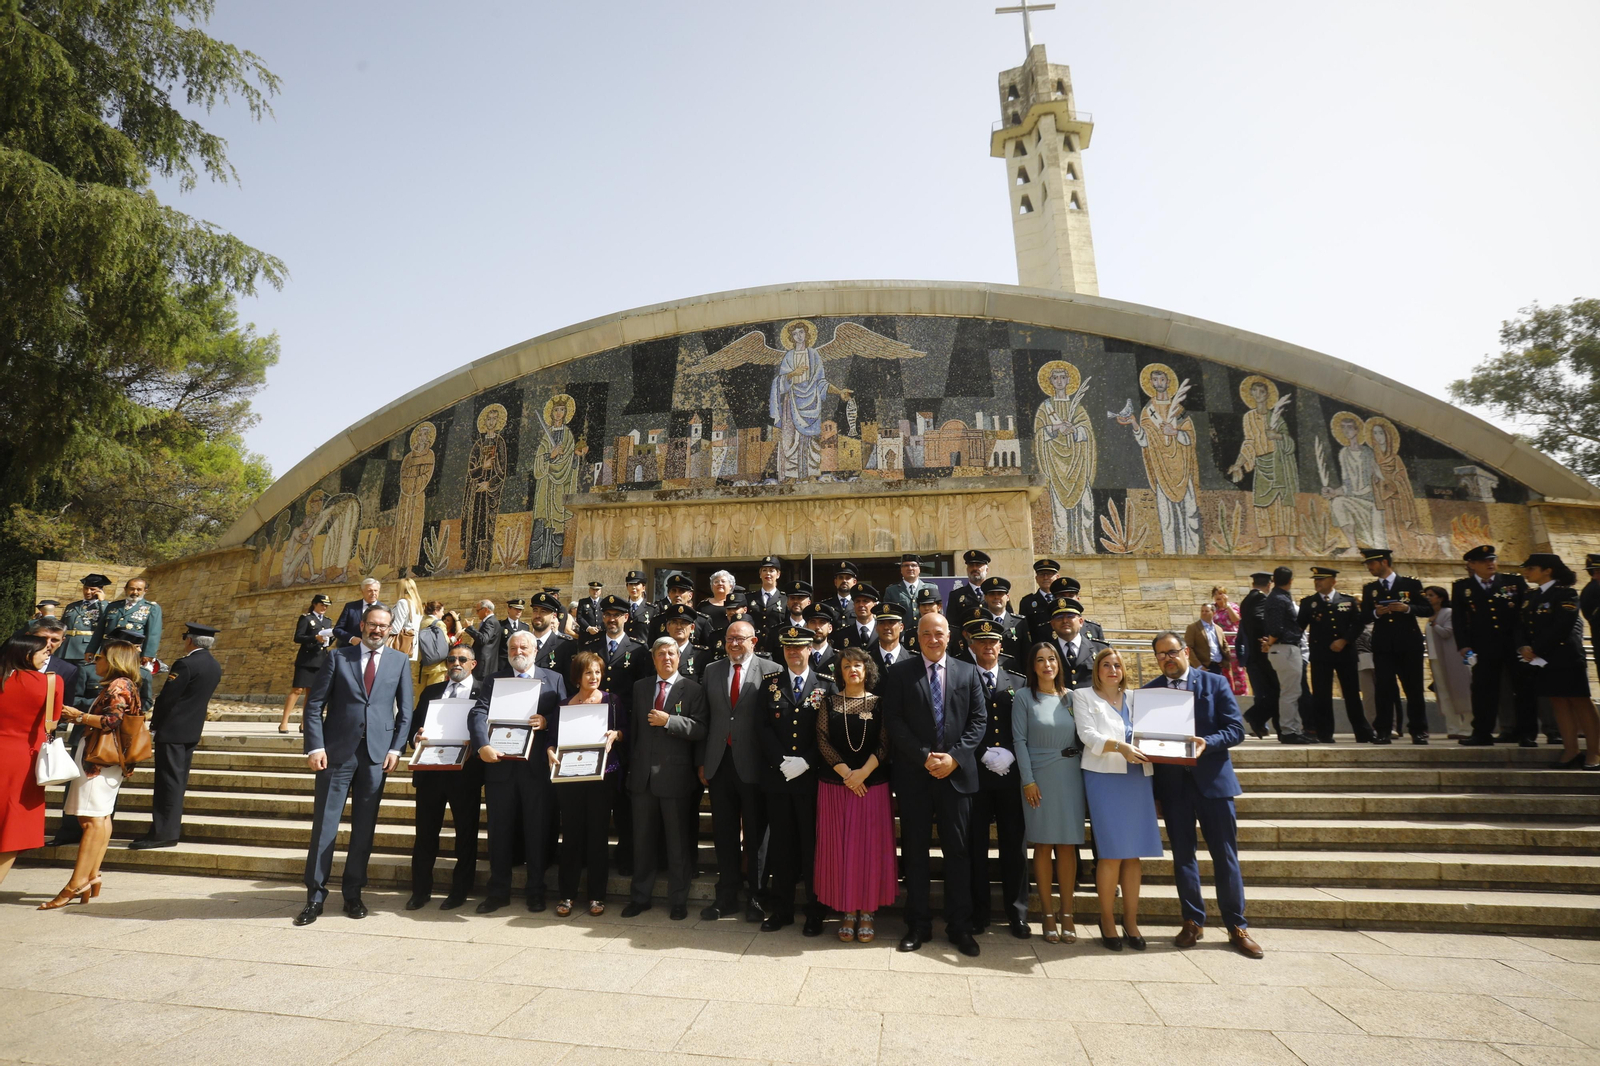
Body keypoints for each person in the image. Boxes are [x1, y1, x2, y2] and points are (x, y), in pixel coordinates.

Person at [1144, 631, 1261, 958]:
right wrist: (1155, 794)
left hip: (1214, 784)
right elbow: (1150, 746)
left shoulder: (1215, 683)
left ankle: (1236, 925)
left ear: (1185, 651)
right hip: (1174, 789)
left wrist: (1207, 742)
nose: (1167, 658)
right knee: (1183, 857)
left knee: (1225, 856)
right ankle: (1192, 921)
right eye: (1161, 654)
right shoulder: (1150, 692)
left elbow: (1235, 729)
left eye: (1172, 652)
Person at [295, 605, 414, 926]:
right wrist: (315, 746)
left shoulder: (399, 661)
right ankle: (315, 896)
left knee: (364, 828)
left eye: (383, 626)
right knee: (324, 826)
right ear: (362, 625)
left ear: (390, 629)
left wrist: (396, 748)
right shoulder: (338, 657)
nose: (377, 630)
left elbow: (406, 711)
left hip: (376, 756)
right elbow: (315, 705)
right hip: (336, 754)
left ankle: (353, 893)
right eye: (373, 624)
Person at [882, 612, 986, 957]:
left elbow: (978, 721)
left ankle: (960, 926)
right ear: (917, 637)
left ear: (949, 636)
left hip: (956, 778)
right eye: (926, 633)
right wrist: (924, 756)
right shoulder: (901, 673)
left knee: (958, 853)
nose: (932, 639)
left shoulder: (968, 672)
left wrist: (954, 758)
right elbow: (894, 721)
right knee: (915, 853)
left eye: (938, 633)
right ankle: (918, 924)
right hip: (915, 776)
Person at [469, 630, 565, 913]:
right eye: (513, 648)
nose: (518, 652)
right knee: (499, 832)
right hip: (500, 766)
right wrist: (482, 745)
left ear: (535, 651)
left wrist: (547, 721)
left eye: (524, 647)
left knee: (537, 831)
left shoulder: (554, 679)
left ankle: (536, 890)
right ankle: (498, 892)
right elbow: (478, 713)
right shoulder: (494, 679)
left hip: (536, 769)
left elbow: (564, 715)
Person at [1075, 647, 1161, 950]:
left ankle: (1131, 921)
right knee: (1111, 852)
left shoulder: (1138, 699)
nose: (1112, 670)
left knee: (1133, 854)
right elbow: (1087, 735)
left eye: (1117, 665)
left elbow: (1156, 733)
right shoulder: (1083, 696)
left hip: (1137, 779)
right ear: (1097, 670)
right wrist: (1119, 746)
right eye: (1106, 665)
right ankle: (1108, 919)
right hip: (1104, 778)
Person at [46, 639, 143, 909]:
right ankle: (91, 876)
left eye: (100, 657)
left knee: (90, 821)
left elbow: (112, 721)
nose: (95, 661)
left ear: (112, 660)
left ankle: (76, 884)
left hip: (98, 760)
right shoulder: (125, 684)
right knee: (100, 818)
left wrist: (78, 716)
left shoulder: (118, 685)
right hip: (106, 760)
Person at [697, 619, 781, 922]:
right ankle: (726, 895)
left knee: (756, 834)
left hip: (755, 765)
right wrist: (702, 760)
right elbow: (705, 718)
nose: (733, 644)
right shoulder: (712, 670)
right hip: (719, 763)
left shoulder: (772, 670)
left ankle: (756, 896)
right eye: (729, 638)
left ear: (753, 641)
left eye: (740, 639)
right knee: (724, 832)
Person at [815, 646, 896, 943]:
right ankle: (848, 911)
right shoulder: (829, 702)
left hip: (871, 786)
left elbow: (885, 744)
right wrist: (847, 774)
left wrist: (862, 774)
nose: (852, 669)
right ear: (840, 671)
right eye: (847, 665)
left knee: (869, 850)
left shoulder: (879, 703)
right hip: (836, 786)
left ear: (867, 670)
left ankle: (868, 911)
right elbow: (822, 740)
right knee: (841, 850)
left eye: (858, 665)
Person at [757, 624, 834, 935]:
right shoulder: (770, 684)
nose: (793, 652)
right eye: (788, 648)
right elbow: (762, 727)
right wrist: (781, 760)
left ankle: (815, 911)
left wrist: (806, 761)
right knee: (781, 846)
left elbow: (829, 732)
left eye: (799, 647)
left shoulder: (826, 685)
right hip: (779, 778)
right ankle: (782, 909)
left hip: (811, 779)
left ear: (810, 649)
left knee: (812, 846)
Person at [623, 637, 707, 920]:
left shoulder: (693, 689)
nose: (666, 658)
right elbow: (635, 732)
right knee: (642, 841)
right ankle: (640, 897)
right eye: (661, 653)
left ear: (679, 657)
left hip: (675, 777)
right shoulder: (641, 687)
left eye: (671, 653)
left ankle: (678, 900)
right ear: (653, 658)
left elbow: (700, 729)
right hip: (643, 778)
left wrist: (669, 721)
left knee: (677, 844)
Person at [1012, 641, 1086, 944]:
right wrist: (1027, 780)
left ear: (1059, 663)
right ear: (1033, 666)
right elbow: (1019, 741)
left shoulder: (1072, 698)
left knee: (1067, 846)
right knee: (1042, 845)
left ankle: (1067, 913)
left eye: (1052, 659)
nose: (1047, 665)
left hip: (1070, 775)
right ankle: (1047, 914)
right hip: (1038, 778)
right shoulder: (1023, 697)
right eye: (1040, 660)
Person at [964, 620, 1030, 939]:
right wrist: (981, 754)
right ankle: (979, 912)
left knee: (1013, 845)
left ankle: (1017, 912)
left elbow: (1026, 726)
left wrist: (1011, 754)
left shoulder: (1018, 680)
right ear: (972, 646)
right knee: (975, 846)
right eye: (982, 641)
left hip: (1010, 775)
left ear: (1001, 646)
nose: (988, 646)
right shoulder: (961, 678)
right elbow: (957, 723)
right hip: (975, 775)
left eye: (993, 642)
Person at [406, 646, 486, 910]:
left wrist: (477, 743)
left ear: (473, 664)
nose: (456, 663)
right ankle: (420, 891)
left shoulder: (483, 691)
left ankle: (460, 890)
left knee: (466, 835)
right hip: (430, 772)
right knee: (425, 834)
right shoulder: (431, 692)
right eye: (451, 659)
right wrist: (416, 737)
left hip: (465, 774)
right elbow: (413, 727)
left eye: (462, 659)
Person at [130, 623, 222, 849]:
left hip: (172, 730)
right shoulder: (214, 665)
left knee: (167, 783)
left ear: (190, 640)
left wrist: (155, 724)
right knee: (176, 782)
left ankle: (163, 833)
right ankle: (164, 830)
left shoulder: (186, 664)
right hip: (191, 730)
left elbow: (168, 698)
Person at [550, 650, 625, 916]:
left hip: (602, 777)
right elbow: (553, 740)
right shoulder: (564, 705)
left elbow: (625, 731)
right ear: (577, 677)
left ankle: (596, 896)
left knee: (597, 836)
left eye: (597, 672)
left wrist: (616, 734)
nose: (594, 677)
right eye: (588, 672)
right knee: (571, 835)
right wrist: (550, 751)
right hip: (570, 778)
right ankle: (567, 895)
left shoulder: (612, 701)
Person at [1518, 554, 1599, 770]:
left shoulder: (1566, 593)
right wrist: (1523, 646)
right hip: (1542, 659)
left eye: (1531, 568)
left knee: (1580, 701)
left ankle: (1594, 752)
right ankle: (1571, 750)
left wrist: (1536, 648)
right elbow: (1521, 625)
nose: (1526, 572)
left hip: (1565, 657)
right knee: (1558, 701)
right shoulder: (1531, 596)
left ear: (1548, 570)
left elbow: (1562, 626)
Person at [1454, 545, 1537, 747]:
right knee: (1483, 690)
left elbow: (1524, 613)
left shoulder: (1512, 581)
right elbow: (1459, 619)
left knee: (1523, 689)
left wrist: (1526, 642)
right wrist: (1463, 645)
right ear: (1472, 565)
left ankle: (1526, 733)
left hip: (1514, 644)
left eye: (1492, 559)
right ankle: (1482, 733)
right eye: (1484, 561)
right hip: (1482, 646)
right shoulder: (1462, 587)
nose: (1490, 564)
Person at [0, 634, 64, 888]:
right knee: (13, 826)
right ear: (28, 656)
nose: (48, 655)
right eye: (44, 651)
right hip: (24, 759)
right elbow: (53, 720)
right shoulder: (51, 682)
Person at [1360, 547, 1433, 744]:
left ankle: (1418, 730)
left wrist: (1407, 608)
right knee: (1383, 689)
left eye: (1372, 563)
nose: (1369, 567)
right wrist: (1376, 613)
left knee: (1414, 688)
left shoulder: (1410, 584)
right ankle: (1383, 730)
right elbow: (1363, 616)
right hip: (1383, 646)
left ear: (1384, 562)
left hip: (1408, 644)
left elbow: (1427, 609)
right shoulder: (1370, 589)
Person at [1298, 567, 1373, 743]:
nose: (1317, 582)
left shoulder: (1347, 601)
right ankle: (1324, 733)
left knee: (1352, 694)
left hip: (1345, 654)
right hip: (1321, 655)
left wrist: (1345, 640)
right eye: (1315, 579)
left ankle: (1362, 732)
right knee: (1321, 696)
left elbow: (1358, 624)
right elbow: (1299, 626)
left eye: (1321, 579)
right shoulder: (1309, 603)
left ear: (1333, 581)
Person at [1261, 567, 1314, 743]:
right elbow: (1276, 628)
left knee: (1293, 691)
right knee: (1290, 692)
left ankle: (1294, 729)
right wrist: (1270, 643)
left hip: (1286, 648)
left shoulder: (1279, 597)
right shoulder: (1278, 599)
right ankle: (1289, 730)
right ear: (1290, 580)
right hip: (1285, 648)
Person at [1423, 586, 1473, 740]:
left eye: (1431, 595)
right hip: (1435, 658)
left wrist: (1434, 624)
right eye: (1426, 595)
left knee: (1460, 690)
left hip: (1451, 658)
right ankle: (1453, 727)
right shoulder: (1430, 614)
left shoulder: (1448, 613)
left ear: (1441, 598)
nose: (1427, 598)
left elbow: (1447, 632)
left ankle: (1468, 727)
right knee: (1444, 693)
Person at [283, 594, 334, 733]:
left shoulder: (328, 621)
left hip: (320, 659)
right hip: (306, 659)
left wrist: (330, 638)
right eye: (322, 605)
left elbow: (328, 640)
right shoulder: (306, 618)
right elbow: (298, 637)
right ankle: (284, 722)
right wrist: (314, 638)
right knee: (297, 689)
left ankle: (304, 723)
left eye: (326, 606)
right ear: (314, 604)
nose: (324, 608)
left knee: (311, 693)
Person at [89, 576, 162, 666]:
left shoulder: (152, 608)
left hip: (130, 653)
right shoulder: (113, 606)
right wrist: (91, 649)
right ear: (125, 589)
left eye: (139, 590)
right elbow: (100, 630)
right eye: (132, 589)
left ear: (145, 591)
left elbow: (153, 633)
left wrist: (148, 654)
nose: (135, 592)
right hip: (109, 650)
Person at [1238, 572, 1277, 737]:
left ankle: (1259, 719)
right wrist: (1268, 637)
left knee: (1268, 691)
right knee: (1277, 690)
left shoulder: (1247, 600)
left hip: (1254, 654)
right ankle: (1255, 716)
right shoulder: (1261, 598)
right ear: (1269, 585)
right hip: (1263, 653)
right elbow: (1258, 618)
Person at [1048, 597, 1106, 689]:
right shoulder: (1046, 651)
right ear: (1052, 624)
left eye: (1070, 616)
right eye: (1059, 617)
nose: (1065, 621)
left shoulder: (1101, 649)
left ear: (1081, 622)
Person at [59, 573, 111, 666]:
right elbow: (62, 625)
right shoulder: (72, 606)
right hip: (65, 649)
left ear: (100, 591)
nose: (88, 592)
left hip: (85, 649)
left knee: (83, 674)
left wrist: (102, 602)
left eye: (92, 589)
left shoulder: (105, 606)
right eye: (86, 588)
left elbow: (108, 620)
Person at [527, 592, 576, 677]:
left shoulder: (564, 645)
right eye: (535, 610)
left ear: (553, 616)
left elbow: (569, 681)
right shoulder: (522, 643)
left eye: (543, 611)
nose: (538, 615)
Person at [1211, 586, 1248, 696]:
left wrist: (1227, 606)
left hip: (1233, 642)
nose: (1218, 596)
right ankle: (1227, 693)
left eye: (1221, 593)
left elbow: (1236, 620)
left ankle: (1241, 693)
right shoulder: (1212, 609)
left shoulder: (1233, 606)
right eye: (1216, 594)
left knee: (1237, 669)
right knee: (1224, 670)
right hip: (1220, 644)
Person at [882, 554, 936, 623]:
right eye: (906, 565)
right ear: (901, 570)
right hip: (903, 629)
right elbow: (888, 615)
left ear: (919, 569)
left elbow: (939, 612)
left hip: (925, 629)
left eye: (913, 565)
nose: (910, 568)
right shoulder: (891, 591)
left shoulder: (931, 587)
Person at [332, 578, 384, 647]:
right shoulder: (351, 607)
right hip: (351, 649)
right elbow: (337, 630)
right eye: (370, 590)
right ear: (362, 591)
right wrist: (351, 639)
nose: (373, 593)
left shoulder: (384, 610)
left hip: (374, 649)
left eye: (375, 590)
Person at [1185, 603, 1231, 678]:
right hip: (1202, 667)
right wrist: (1198, 666)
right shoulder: (1193, 628)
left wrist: (1225, 662)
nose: (1203, 613)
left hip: (1217, 667)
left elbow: (1225, 647)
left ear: (1214, 613)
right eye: (1202, 611)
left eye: (1206, 611)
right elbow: (1188, 648)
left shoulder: (1218, 629)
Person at [947, 549, 991, 627]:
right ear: (967, 569)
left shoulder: (996, 593)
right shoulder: (956, 595)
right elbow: (952, 625)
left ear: (987, 570)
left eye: (978, 565)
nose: (974, 568)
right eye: (971, 565)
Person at [462, 599, 502, 684]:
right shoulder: (491, 621)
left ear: (485, 610)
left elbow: (483, 639)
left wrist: (469, 628)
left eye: (478, 610)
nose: (477, 613)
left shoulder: (490, 621)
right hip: (486, 664)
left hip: (484, 665)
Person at [389, 577, 424, 670]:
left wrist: (382, 631)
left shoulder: (403, 603)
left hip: (400, 643)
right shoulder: (417, 605)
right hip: (411, 644)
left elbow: (396, 628)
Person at [416, 600, 452, 689]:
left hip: (422, 663)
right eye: (442, 611)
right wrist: (456, 637)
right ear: (436, 611)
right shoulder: (439, 623)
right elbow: (446, 642)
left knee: (420, 693)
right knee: (434, 692)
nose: (443, 614)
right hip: (437, 665)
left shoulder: (421, 621)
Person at [1020, 559, 1061, 636]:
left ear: (1057, 577)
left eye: (1049, 574)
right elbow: (1023, 630)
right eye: (1041, 574)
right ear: (1036, 578)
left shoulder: (1063, 599)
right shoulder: (1027, 602)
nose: (1045, 577)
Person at [869, 603, 911, 677]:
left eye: (891, 622)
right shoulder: (868, 659)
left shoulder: (912, 659)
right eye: (881, 623)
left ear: (901, 627)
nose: (886, 627)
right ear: (876, 628)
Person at [835, 584, 881, 651]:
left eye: (865, 601)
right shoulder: (842, 634)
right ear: (853, 605)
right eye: (857, 601)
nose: (861, 605)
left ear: (875, 605)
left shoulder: (883, 630)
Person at [575, 580, 607, 646]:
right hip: (586, 637)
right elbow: (579, 617)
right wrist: (588, 628)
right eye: (593, 589)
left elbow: (607, 616)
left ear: (600, 591)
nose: (595, 592)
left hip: (601, 635)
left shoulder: (604, 602)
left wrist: (600, 627)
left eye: (597, 590)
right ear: (589, 590)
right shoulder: (583, 602)